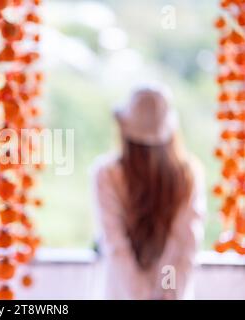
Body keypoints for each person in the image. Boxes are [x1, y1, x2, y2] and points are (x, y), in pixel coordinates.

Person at [90, 85, 205, 300]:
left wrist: (141, 295)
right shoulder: (187, 174)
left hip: (120, 294)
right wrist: (166, 294)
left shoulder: (107, 174)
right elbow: (184, 243)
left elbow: (116, 245)